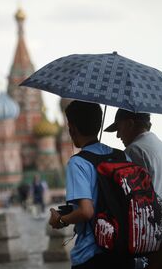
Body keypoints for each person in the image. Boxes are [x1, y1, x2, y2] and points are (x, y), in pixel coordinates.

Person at [105, 109, 162, 269]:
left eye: (118, 128)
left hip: (159, 245)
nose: (118, 136)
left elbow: (129, 201)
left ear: (130, 124)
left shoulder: (135, 150)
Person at [48, 101, 130, 269]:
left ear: (71, 128)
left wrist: (61, 220)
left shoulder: (78, 163)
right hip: (124, 249)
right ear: (99, 125)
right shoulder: (122, 156)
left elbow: (86, 211)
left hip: (92, 253)